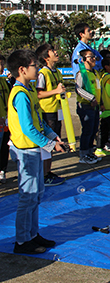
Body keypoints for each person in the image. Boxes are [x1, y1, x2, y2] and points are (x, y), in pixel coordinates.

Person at [7, 49, 66, 254]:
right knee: (28, 196)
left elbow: (39, 121)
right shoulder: (20, 94)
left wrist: (52, 136)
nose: (37, 68)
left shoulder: (30, 89)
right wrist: (49, 145)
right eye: (34, 65)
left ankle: (32, 234)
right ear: (22, 70)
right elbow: (27, 128)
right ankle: (22, 241)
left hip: (34, 151)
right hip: (25, 152)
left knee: (37, 194)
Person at [35, 43, 66, 186]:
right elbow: (39, 93)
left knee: (54, 142)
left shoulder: (57, 72)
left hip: (57, 111)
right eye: (52, 51)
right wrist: (55, 92)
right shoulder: (43, 73)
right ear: (46, 57)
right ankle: (44, 174)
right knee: (47, 145)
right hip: (47, 112)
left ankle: (48, 171)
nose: (56, 52)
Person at [75, 49, 102, 164]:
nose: (93, 59)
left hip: (95, 106)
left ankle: (90, 152)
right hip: (86, 106)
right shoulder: (82, 73)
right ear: (84, 59)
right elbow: (78, 89)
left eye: (94, 57)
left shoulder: (94, 73)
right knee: (87, 130)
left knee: (93, 129)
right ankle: (84, 154)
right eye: (90, 57)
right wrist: (90, 98)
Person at [0, 54, 12, 184]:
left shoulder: (4, 82)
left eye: (2, 64)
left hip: (6, 121)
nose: (1, 67)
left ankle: (2, 170)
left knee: (4, 147)